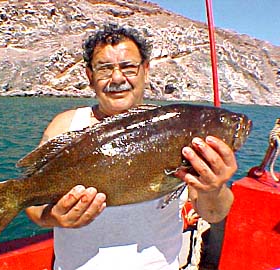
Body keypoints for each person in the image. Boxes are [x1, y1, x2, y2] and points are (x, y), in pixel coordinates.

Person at [25, 23, 236, 270]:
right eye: (104, 68)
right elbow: (30, 199)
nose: (117, 78)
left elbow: (213, 214)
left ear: (145, 70)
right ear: (90, 76)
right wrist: (52, 217)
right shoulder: (65, 125)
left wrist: (214, 187)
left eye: (128, 67)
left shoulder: (180, 131)